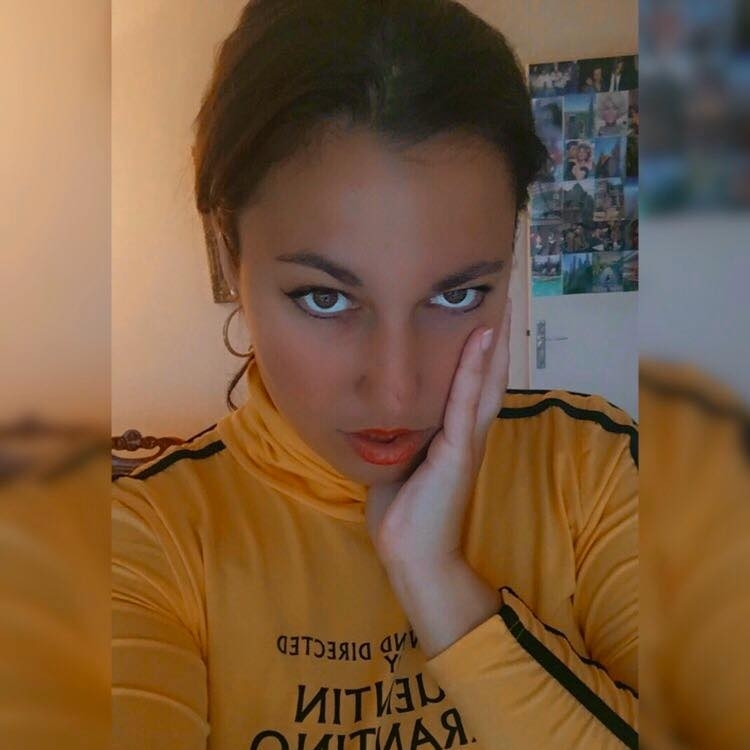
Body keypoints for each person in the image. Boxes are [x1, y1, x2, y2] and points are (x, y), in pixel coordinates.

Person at [112, 1, 638, 748]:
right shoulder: (140, 542)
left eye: (457, 295)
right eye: (324, 298)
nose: (396, 390)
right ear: (231, 256)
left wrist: (435, 577)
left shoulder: (591, 467)